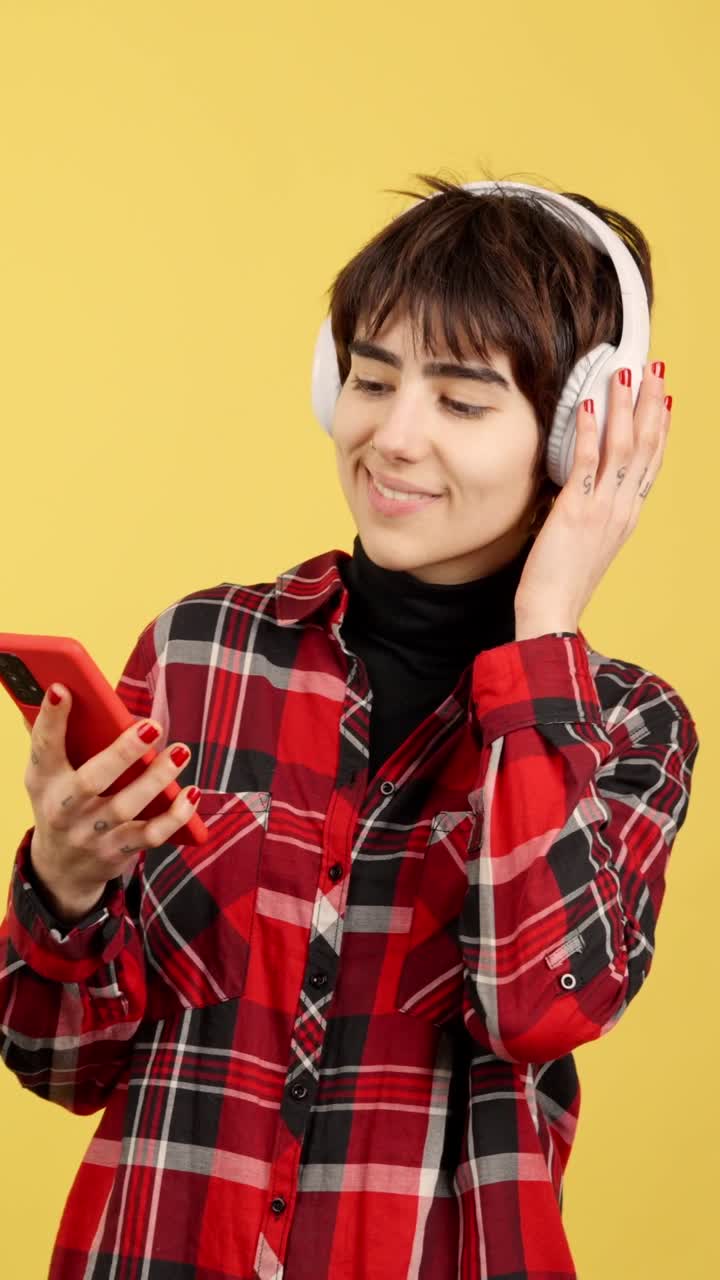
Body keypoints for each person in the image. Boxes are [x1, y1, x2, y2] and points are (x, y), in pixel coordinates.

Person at [0, 173, 700, 1279]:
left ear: (580, 437)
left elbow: (534, 1006)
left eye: (462, 402)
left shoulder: (625, 726)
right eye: (370, 380)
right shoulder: (197, 654)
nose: (391, 437)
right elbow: (59, 1063)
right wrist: (65, 884)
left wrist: (545, 628)